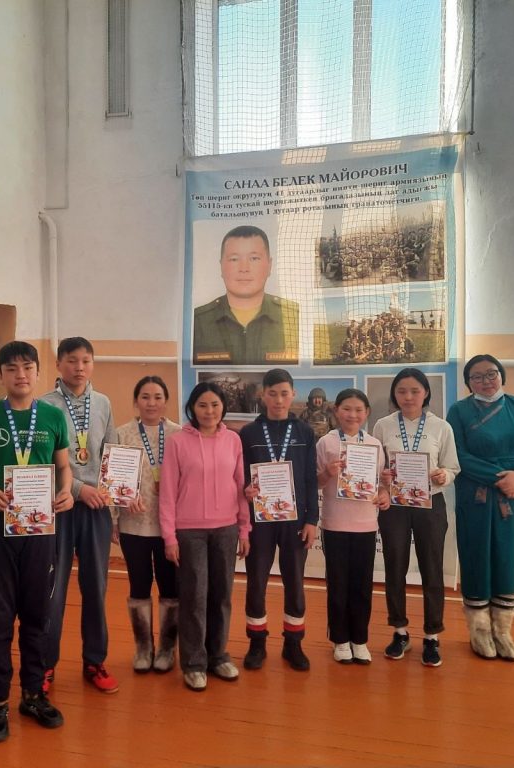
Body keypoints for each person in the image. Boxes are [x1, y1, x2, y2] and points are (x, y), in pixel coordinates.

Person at [0, 341, 74, 742]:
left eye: (27, 367)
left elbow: (64, 467)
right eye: (11, 368)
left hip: (40, 529)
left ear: (39, 372)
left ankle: (32, 694)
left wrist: (67, 491)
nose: (20, 374)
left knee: (38, 615)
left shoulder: (53, 416)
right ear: (1, 375)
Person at [446, 354, 514, 661]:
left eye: (491, 374)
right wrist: (499, 479)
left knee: (510, 558)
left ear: (501, 375)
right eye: (477, 377)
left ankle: (503, 631)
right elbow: (457, 453)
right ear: (468, 383)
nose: (485, 381)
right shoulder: (459, 411)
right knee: (478, 556)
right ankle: (479, 630)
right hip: (477, 496)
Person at [159, 382, 251, 691]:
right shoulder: (177, 442)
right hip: (189, 532)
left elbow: (241, 488)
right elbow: (168, 493)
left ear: (223, 407)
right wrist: (169, 537)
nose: (209, 411)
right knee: (194, 598)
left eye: (214, 405)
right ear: (192, 408)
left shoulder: (234, 440)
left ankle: (218, 656)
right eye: (202, 405)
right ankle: (194, 663)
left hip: (226, 529)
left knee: (222, 595)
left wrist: (244, 529)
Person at [40, 337, 120, 693]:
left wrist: (110, 494)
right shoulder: (44, 406)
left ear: (92, 364)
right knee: (53, 589)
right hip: (59, 505)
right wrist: (76, 490)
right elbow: (43, 461)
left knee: (96, 586)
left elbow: (111, 452)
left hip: (96, 508)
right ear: (59, 364)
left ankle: (95, 660)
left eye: (86, 360)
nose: (79, 367)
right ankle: (45, 665)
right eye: (72, 360)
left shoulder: (102, 403)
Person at [372, 368, 460, 667]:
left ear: (426, 393)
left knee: (431, 568)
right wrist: (382, 476)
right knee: (394, 567)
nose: (408, 397)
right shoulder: (383, 425)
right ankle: (399, 631)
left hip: (430, 504)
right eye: (401, 391)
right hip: (394, 506)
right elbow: (376, 467)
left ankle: (432, 636)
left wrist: (444, 474)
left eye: (414, 391)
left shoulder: (441, 427)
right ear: (394, 395)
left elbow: (453, 467)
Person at [240, 369, 319, 672]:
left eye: (284, 393)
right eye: (272, 393)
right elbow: (240, 477)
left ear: (293, 394)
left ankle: (293, 643)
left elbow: (310, 479)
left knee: (295, 582)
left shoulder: (305, 432)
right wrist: (245, 490)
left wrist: (312, 519)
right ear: (263, 395)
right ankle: (257, 642)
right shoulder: (248, 433)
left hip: (294, 521)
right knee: (256, 582)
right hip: (259, 521)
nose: (278, 400)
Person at [112, 376, 183, 672]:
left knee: (170, 587)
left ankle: (167, 648)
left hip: (171, 528)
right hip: (134, 526)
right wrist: (120, 505)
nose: (151, 403)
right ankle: (143, 648)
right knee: (139, 585)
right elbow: (113, 480)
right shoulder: (121, 434)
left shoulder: (179, 435)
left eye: (157, 397)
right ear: (135, 401)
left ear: (166, 400)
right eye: (145, 397)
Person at [316, 389, 390, 665]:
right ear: (336, 410)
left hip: (366, 524)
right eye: (347, 409)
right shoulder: (326, 442)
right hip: (335, 523)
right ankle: (340, 639)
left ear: (367, 413)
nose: (352, 415)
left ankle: (359, 639)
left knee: (362, 585)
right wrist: (328, 472)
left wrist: (384, 494)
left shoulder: (374, 444)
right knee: (338, 584)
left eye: (359, 410)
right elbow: (315, 482)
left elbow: (380, 484)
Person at [193, 225, 299, 366]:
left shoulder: (294, 317)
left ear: (269, 265)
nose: (244, 268)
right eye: (234, 259)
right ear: (221, 266)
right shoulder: (197, 322)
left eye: (254, 258)